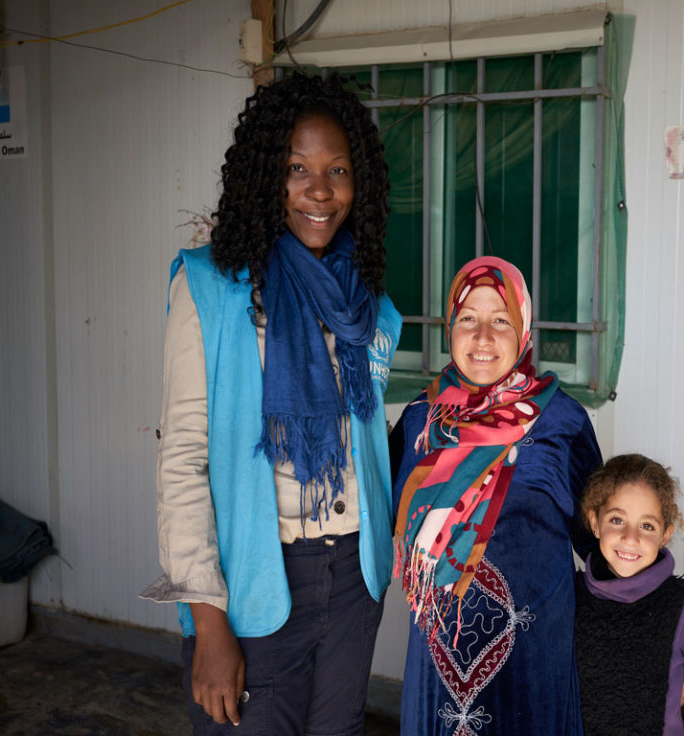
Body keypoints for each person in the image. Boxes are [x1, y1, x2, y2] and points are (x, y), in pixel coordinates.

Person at [140, 71, 401, 735]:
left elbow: (365, 449)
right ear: (266, 177)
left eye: (337, 170)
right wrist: (208, 625)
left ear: (358, 181)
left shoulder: (369, 308)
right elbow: (184, 462)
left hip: (351, 582)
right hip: (254, 583)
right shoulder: (210, 290)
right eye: (296, 168)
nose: (319, 190)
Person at [389, 256, 602, 735]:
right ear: (450, 327)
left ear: (524, 329)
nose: (483, 337)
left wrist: (663, 647)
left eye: (500, 320)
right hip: (439, 669)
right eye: (468, 319)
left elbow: (602, 545)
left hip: (534, 662)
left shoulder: (562, 421)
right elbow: (382, 520)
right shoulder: (420, 419)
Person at [575, 454, 684, 736]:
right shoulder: (570, 597)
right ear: (595, 523)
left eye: (647, 526)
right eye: (617, 520)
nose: (630, 538)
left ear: (665, 534)